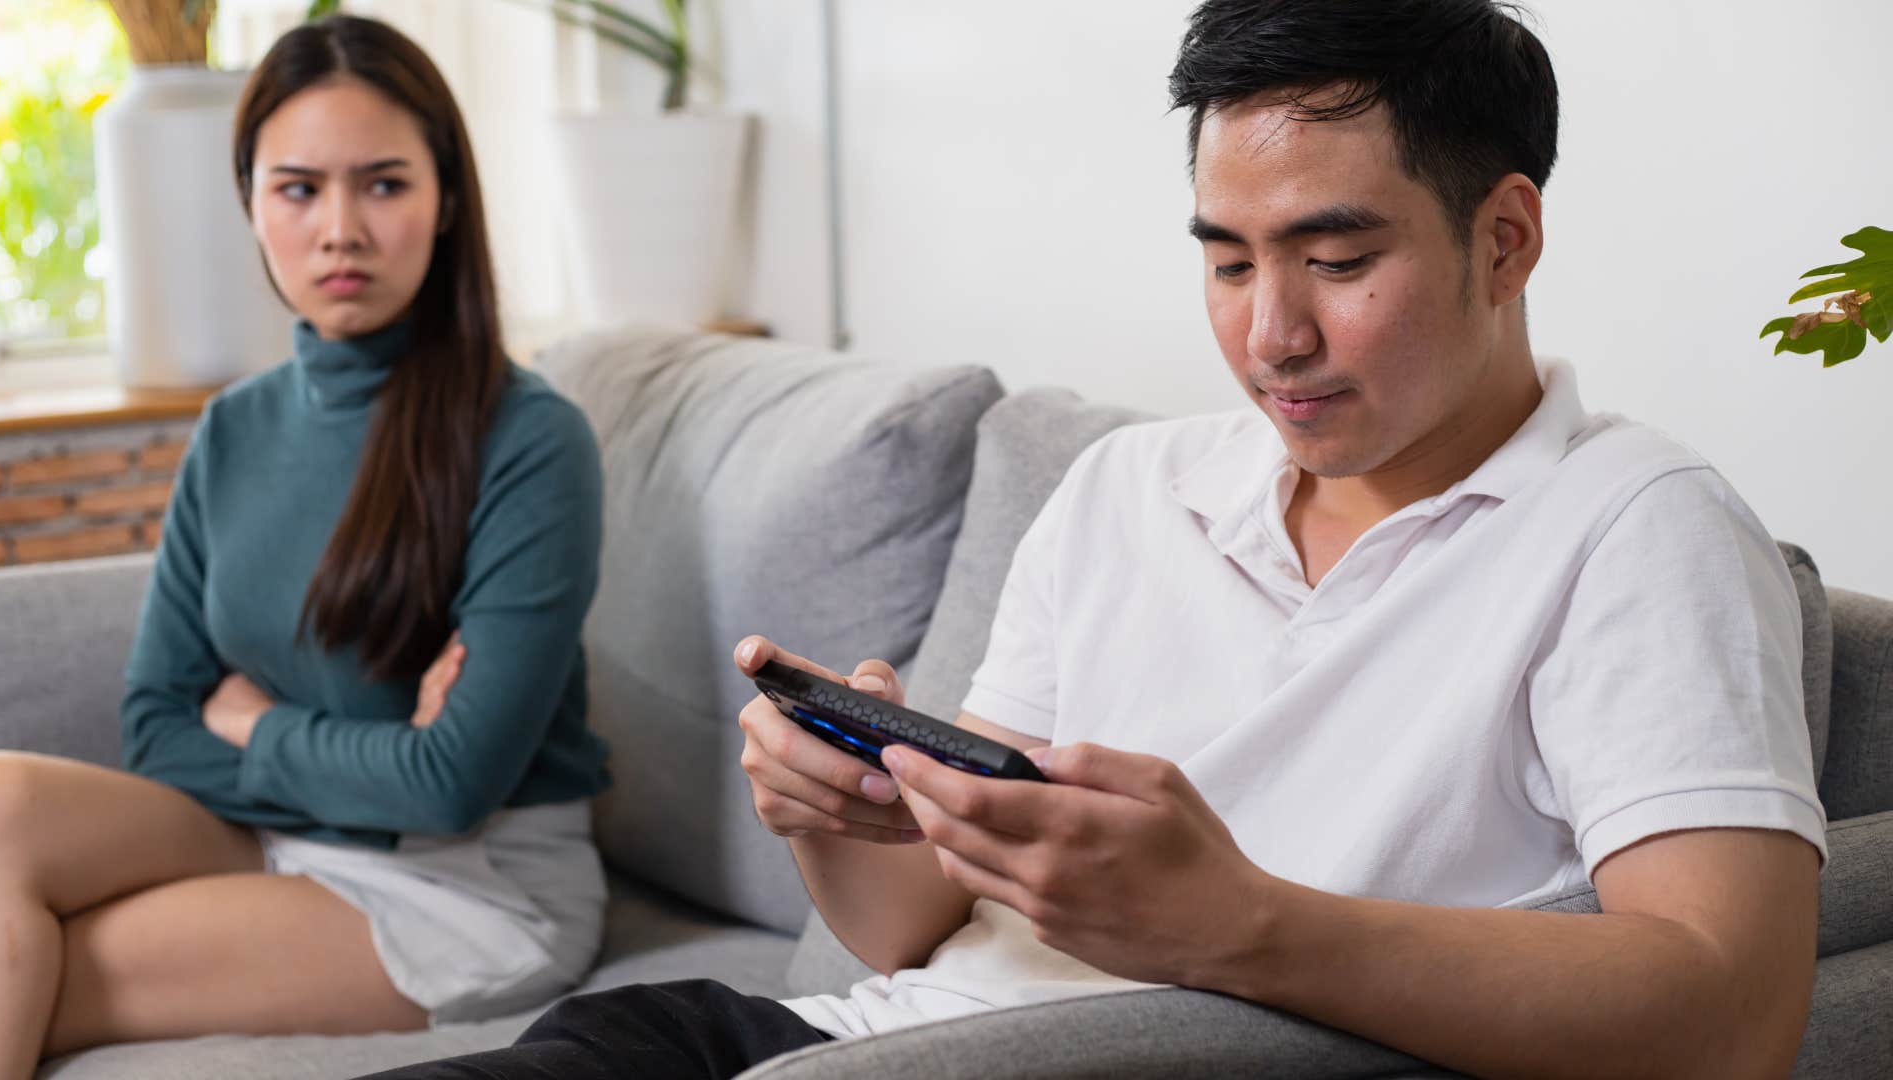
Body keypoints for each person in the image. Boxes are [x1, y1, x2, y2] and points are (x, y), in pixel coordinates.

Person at [373, 2, 1826, 1077]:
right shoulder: (1132, 489)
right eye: (1227, 260)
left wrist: (1240, 922)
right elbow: (901, 933)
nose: (1273, 334)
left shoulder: (1638, 528)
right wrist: (849, 816)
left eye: (1338, 260)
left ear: (1505, 239)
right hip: (806, 1040)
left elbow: (1734, 1014)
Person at [0, 15, 610, 1079]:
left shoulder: (531, 440)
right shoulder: (235, 427)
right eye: (300, 188)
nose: (340, 230)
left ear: (447, 200)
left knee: (26, 963)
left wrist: (257, 722)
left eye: (385, 184)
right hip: (287, 831)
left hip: (465, 882)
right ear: (252, 202)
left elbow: (450, 789)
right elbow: (157, 728)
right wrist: (378, 760)